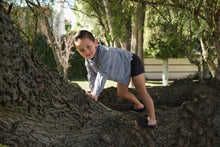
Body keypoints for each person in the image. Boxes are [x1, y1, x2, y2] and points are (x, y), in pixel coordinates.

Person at [73, 30, 156, 127]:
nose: (86, 52)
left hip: (131, 62)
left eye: (88, 47)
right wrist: (93, 93)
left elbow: (102, 73)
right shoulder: (88, 61)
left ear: (95, 43)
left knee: (141, 90)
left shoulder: (105, 53)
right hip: (122, 71)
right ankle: (139, 105)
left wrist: (96, 93)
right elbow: (92, 76)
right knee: (122, 94)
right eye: (82, 50)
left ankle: (152, 120)